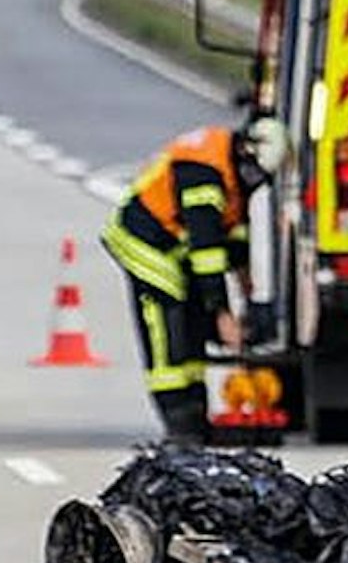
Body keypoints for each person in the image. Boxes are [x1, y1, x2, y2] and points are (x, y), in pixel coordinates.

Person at [100, 117, 287, 441]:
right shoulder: (203, 172)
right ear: (246, 151)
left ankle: (196, 413)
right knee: (169, 319)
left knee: (196, 319)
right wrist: (223, 313)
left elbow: (234, 238)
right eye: (254, 174)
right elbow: (207, 251)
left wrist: (248, 294)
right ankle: (178, 419)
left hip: (177, 245)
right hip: (144, 242)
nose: (255, 182)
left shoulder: (236, 172)